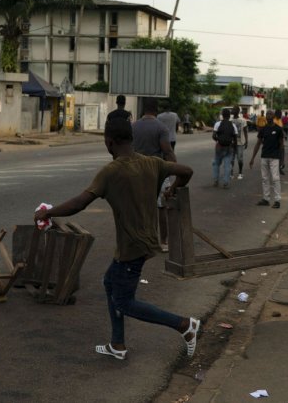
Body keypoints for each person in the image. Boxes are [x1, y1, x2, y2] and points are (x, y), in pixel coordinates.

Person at [34, 118, 200, 360]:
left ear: (109, 142)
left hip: (132, 247)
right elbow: (187, 171)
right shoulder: (152, 163)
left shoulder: (111, 172)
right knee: (110, 282)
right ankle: (117, 344)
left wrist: (47, 212)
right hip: (142, 242)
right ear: (131, 139)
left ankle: (184, 325)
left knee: (124, 302)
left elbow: (79, 203)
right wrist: (173, 188)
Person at [133, 97, 175, 252]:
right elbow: (167, 151)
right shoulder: (161, 128)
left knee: (140, 208)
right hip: (157, 172)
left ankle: (141, 240)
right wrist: (174, 169)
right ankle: (163, 242)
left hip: (137, 171)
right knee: (161, 207)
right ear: (156, 110)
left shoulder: (133, 126)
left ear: (143, 109)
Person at [249, 109, 284, 208]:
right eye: (267, 114)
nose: (268, 115)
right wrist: (252, 158)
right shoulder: (263, 129)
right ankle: (266, 199)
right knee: (264, 178)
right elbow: (258, 143)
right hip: (264, 156)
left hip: (274, 157)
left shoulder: (278, 129)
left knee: (275, 178)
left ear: (273, 116)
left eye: (270, 114)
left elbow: (281, 145)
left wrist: (282, 160)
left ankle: (277, 200)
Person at [212, 108, 238, 189]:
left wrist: (218, 140)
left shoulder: (217, 124)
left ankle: (216, 180)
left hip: (219, 147)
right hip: (229, 148)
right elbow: (235, 139)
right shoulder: (233, 125)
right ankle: (225, 183)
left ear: (222, 115)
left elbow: (213, 136)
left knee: (216, 164)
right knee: (227, 166)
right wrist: (234, 149)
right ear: (229, 116)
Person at [230, 106, 249, 180]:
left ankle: (240, 173)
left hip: (240, 143)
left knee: (240, 159)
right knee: (231, 159)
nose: (232, 111)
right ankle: (231, 173)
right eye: (232, 109)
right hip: (232, 143)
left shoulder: (243, 120)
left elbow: (245, 131)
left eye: (234, 109)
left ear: (237, 111)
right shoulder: (230, 120)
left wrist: (246, 141)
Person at [273, 109, 286, 175]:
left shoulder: (280, 120)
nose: (281, 115)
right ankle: (278, 168)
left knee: (281, 154)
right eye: (280, 114)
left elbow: (281, 128)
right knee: (278, 155)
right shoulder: (274, 121)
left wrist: (284, 133)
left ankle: (280, 166)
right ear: (276, 114)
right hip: (276, 141)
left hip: (281, 141)